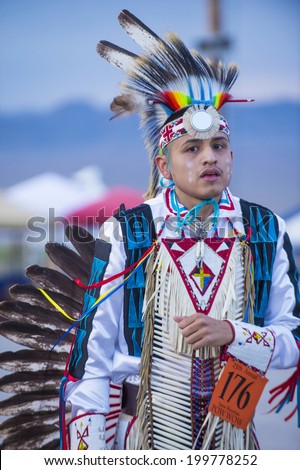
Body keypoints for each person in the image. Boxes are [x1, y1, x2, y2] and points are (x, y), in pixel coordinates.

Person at [61, 10, 300, 450]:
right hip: (145, 441)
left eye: (219, 145)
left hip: (233, 439)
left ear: (232, 153)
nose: (209, 157)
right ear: (163, 165)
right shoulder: (129, 233)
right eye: (191, 148)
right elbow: (92, 365)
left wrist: (234, 333)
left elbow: (293, 336)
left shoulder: (265, 230)